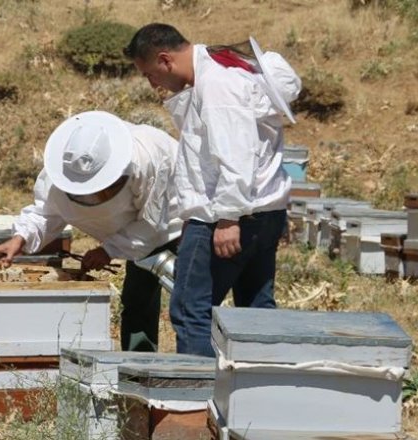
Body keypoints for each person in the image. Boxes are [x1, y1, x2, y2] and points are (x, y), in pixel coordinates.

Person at [124, 24, 302, 357]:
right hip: (263, 214)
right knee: (255, 314)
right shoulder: (231, 72)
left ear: (165, 60)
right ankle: (253, 396)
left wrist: (227, 218)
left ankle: (195, 403)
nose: (152, 84)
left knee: (193, 310)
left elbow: (234, 154)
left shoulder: (218, 83)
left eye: (149, 74)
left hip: (228, 216)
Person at [0, 111, 184, 352]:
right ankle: (138, 374)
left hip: (178, 224)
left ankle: (197, 371)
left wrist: (109, 250)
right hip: (131, 234)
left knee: (189, 306)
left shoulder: (150, 158)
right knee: (136, 303)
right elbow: (47, 211)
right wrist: (21, 237)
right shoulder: (59, 174)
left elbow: (153, 223)